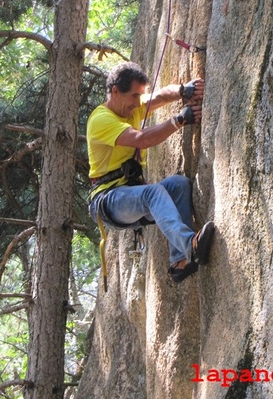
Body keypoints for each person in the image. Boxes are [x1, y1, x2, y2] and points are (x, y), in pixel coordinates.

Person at [87, 61, 215, 283]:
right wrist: (178, 120)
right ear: (115, 92)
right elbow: (141, 139)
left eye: (140, 96)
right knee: (153, 193)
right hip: (108, 201)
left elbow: (161, 96)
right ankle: (190, 247)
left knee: (179, 185)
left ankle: (179, 262)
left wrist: (184, 90)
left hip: (129, 193)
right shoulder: (101, 120)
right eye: (134, 96)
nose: (138, 103)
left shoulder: (130, 106)